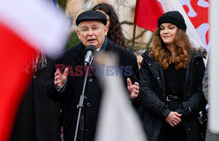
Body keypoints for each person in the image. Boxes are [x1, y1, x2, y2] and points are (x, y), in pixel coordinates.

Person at [47, 10, 140, 141]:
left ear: (106, 29)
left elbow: (138, 97)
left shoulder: (125, 58)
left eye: (95, 28)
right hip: (76, 131)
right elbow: (51, 93)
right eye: (85, 29)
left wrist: (132, 96)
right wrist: (59, 86)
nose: (90, 33)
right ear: (78, 34)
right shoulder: (65, 58)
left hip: (111, 131)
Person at [139, 11, 207, 141]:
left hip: (187, 124)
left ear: (180, 31)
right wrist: (165, 113)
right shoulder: (150, 58)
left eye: (171, 27)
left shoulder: (195, 59)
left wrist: (181, 112)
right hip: (157, 123)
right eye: (162, 28)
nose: (165, 31)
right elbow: (145, 90)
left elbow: (201, 92)